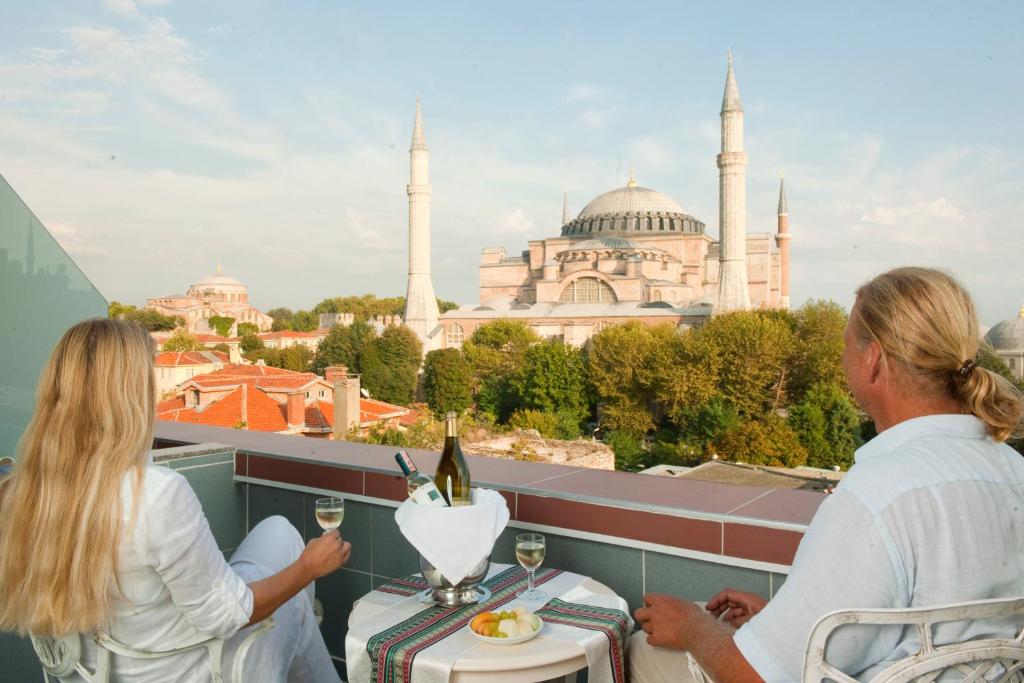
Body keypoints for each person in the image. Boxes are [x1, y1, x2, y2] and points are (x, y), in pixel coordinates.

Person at [630, 267, 1024, 682]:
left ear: (872, 361)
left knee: (643, 648)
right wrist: (782, 622)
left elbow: (757, 677)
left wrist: (692, 625)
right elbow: (928, 625)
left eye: (846, 345)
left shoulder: (880, 491)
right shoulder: (1012, 469)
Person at [0, 319, 351, 682]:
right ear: (130, 392)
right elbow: (228, 616)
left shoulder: (21, 491)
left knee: (279, 532)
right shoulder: (155, 494)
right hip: (187, 670)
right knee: (294, 600)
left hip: (88, 670)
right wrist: (309, 568)